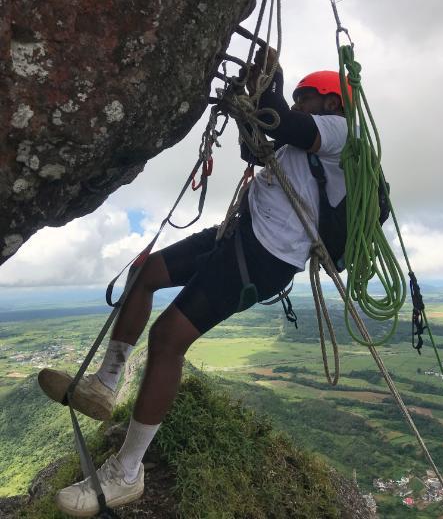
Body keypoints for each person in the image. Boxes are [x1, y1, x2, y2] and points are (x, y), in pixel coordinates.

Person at [38, 48, 349, 517]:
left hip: (264, 258)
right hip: (239, 233)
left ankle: (127, 472)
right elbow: (259, 141)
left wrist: (271, 83)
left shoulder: (342, 132)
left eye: (308, 97)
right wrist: (250, 101)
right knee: (145, 274)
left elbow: (283, 121)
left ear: (331, 104)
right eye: (300, 97)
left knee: (167, 339)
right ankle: (105, 382)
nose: (301, 104)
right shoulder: (304, 145)